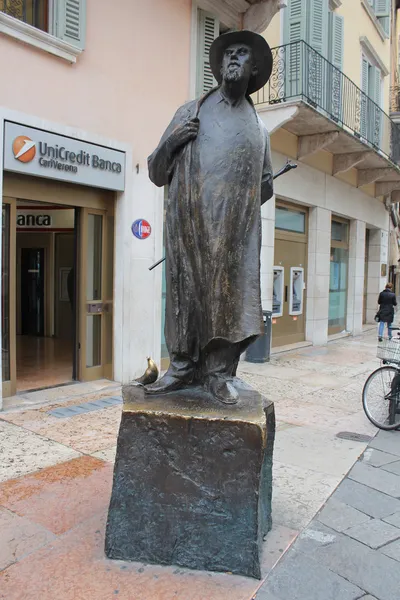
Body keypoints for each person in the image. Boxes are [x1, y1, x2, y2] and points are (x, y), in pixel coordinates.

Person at [146, 30, 274, 404]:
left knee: (230, 302)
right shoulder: (190, 112)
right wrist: (172, 143)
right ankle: (182, 367)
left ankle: (219, 374)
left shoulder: (260, 131)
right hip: (189, 231)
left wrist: (236, 204)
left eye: (242, 54)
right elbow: (155, 172)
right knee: (185, 299)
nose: (233, 59)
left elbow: (264, 186)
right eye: (228, 54)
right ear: (218, 66)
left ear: (253, 69)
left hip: (232, 238)